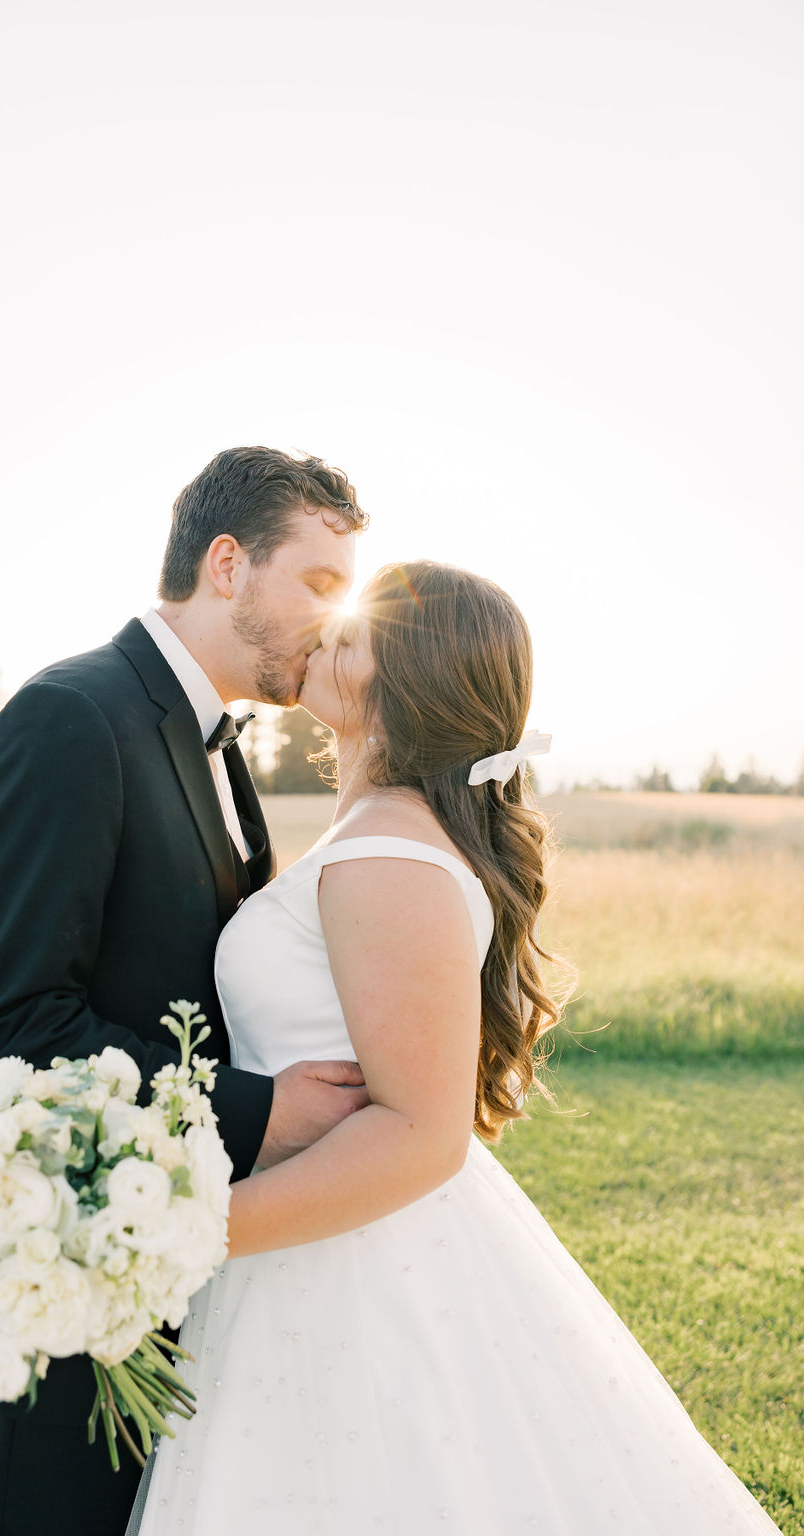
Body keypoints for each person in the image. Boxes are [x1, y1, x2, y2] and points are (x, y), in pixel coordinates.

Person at [135, 561, 781, 1535]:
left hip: (354, 1259)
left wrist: (192, 1232)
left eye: (352, 636)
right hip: (311, 1231)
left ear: (408, 688)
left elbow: (420, 1133)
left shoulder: (389, 857)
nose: (323, 636)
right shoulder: (375, 833)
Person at [0, 445, 371, 1536]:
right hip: (61, 1257)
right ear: (226, 564)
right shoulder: (71, 719)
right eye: (318, 582)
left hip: (163, 1251)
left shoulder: (223, 749)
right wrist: (264, 1113)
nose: (334, 616)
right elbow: (10, 1031)